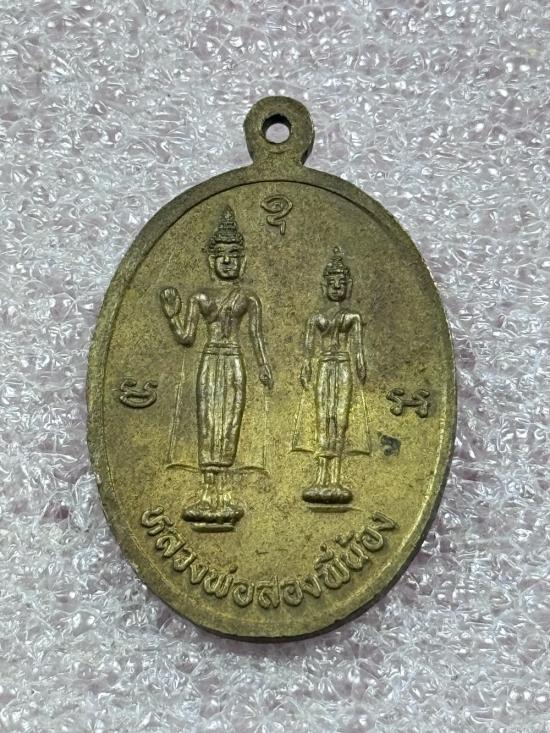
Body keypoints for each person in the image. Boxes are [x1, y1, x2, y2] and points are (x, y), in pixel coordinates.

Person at [161, 206, 273, 528]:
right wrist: (172, 314)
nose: (227, 260)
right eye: (221, 255)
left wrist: (264, 366)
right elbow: (186, 337)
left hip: (234, 361)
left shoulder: (248, 298)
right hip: (210, 360)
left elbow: (256, 336)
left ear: (243, 261)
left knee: (229, 424)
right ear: (212, 259)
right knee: (208, 423)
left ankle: (223, 493)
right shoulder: (200, 297)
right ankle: (206, 491)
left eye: (233, 255)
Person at [293, 247, 369, 505]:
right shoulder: (316, 318)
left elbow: (358, 349)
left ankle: (335, 478)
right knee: (322, 419)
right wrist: (306, 366)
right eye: (332, 282)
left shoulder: (352, 317)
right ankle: (320, 477)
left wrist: (360, 366)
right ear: (323, 286)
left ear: (349, 286)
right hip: (324, 367)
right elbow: (308, 349)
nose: (337, 286)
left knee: (340, 418)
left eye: (341, 282)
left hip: (343, 367)